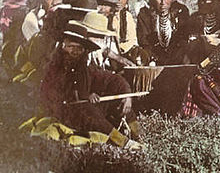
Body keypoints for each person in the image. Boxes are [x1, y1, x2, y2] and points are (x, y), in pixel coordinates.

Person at [39, 21, 142, 149]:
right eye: (71, 47)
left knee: (120, 103)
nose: (75, 52)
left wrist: (126, 95)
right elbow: (58, 95)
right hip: (63, 113)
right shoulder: (53, 69)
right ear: (63, 46)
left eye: (79, 48)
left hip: (85, 112)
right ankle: (124, 143)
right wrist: (86, 96)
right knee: (88, 110)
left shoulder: (84, 68)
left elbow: (111, 78)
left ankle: (140, 137)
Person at [136, 0, 189, 65]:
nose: (162, 2)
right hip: (153, 58)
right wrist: (151, 58)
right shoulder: (145, 14)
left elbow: (183, 38)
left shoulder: (181, 12)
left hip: (177, 58)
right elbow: (144, 41)